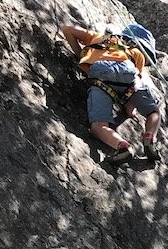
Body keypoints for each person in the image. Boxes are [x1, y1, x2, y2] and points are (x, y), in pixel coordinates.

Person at [61, 22, 161, 163]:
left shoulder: (101, 38)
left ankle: (122, 146)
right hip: (130, 84)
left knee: (98, 126)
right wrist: (129, 111)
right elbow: (134, 82)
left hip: (102, 81)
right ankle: (150, 137)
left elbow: (67, 28)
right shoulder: (138, 55)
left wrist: (81, 55)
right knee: (153, 113)